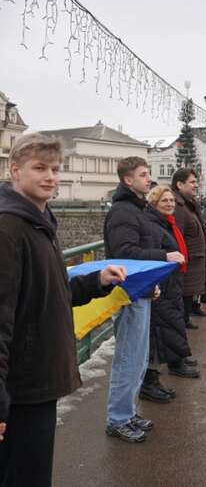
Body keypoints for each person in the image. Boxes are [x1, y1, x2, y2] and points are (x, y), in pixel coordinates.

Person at [0, 133, 126, 487]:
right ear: (14, 170)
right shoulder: (9, 228)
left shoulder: (40, 222)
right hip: (21, 387)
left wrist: (97, 280)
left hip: (37, 378)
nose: (51, 177)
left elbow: (50, 294)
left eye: (56, 169)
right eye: (40, 168)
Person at [103, 157, 184, 443]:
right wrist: (164, 257)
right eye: (143, 174)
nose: (148, 179)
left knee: (138, 357)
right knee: (128, 357)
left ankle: (127, 410)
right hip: (129, 292)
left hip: (141, 289)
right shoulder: (124, 212)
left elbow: (139, 249)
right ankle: (117, 418)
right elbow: (124, 251)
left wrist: (152, 284)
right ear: (128, 180)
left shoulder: (136, 210)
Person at [140, 186, 200, 403]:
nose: (169, 204)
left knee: (170, 326)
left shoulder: (166, 223)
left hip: (171, 283)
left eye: (172, 201)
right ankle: (149, 382)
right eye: (164, 201)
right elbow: (150, 254)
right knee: (159, 333)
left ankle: (169, 367)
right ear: (154, 203)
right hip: (161, 286)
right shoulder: (153, 225)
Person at [172, 168, 206, 327]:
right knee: (185, 292)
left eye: (196, 182)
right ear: (180, 184)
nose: (196, 185)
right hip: (187, 260)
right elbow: (176, 235)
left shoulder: (187, 203)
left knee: (189, 292)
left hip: (193, 258)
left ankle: (185, 318)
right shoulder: (179, 206)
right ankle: (183, 320)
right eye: (192, 182)